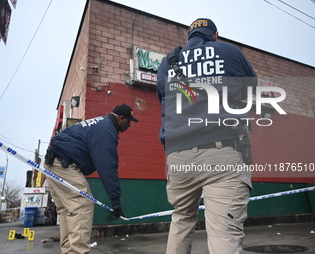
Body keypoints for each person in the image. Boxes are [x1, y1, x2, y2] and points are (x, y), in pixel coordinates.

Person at [156, 18, 257, 254]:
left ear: (189, 37)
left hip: (178, 156)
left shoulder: (168, 61)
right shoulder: (229, 51)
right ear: (215, 35)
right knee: (224, 232)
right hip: (222, 151)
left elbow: (164, 99)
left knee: (181, 220)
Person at [44, 103, 139, 254]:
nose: (129, 126)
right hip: (63, 164)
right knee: (82, 204)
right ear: (121, 118)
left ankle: (69, 250)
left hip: (53, 162)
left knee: (67, 209)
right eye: (129, 121)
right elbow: (107, 166)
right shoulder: (107, 130)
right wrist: (115, 201)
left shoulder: (99, 123)